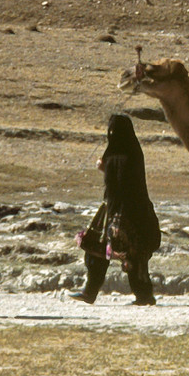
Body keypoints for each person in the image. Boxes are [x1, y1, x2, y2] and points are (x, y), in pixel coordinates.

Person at [71, 113, 161, 305]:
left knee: (133, 256)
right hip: (113, 208)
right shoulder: (125, 151)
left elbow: (122, 177)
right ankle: (90, 292)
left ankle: (144, 296)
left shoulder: (130, 153)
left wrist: (104, 167)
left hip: (130, 210)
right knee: (96, 248)